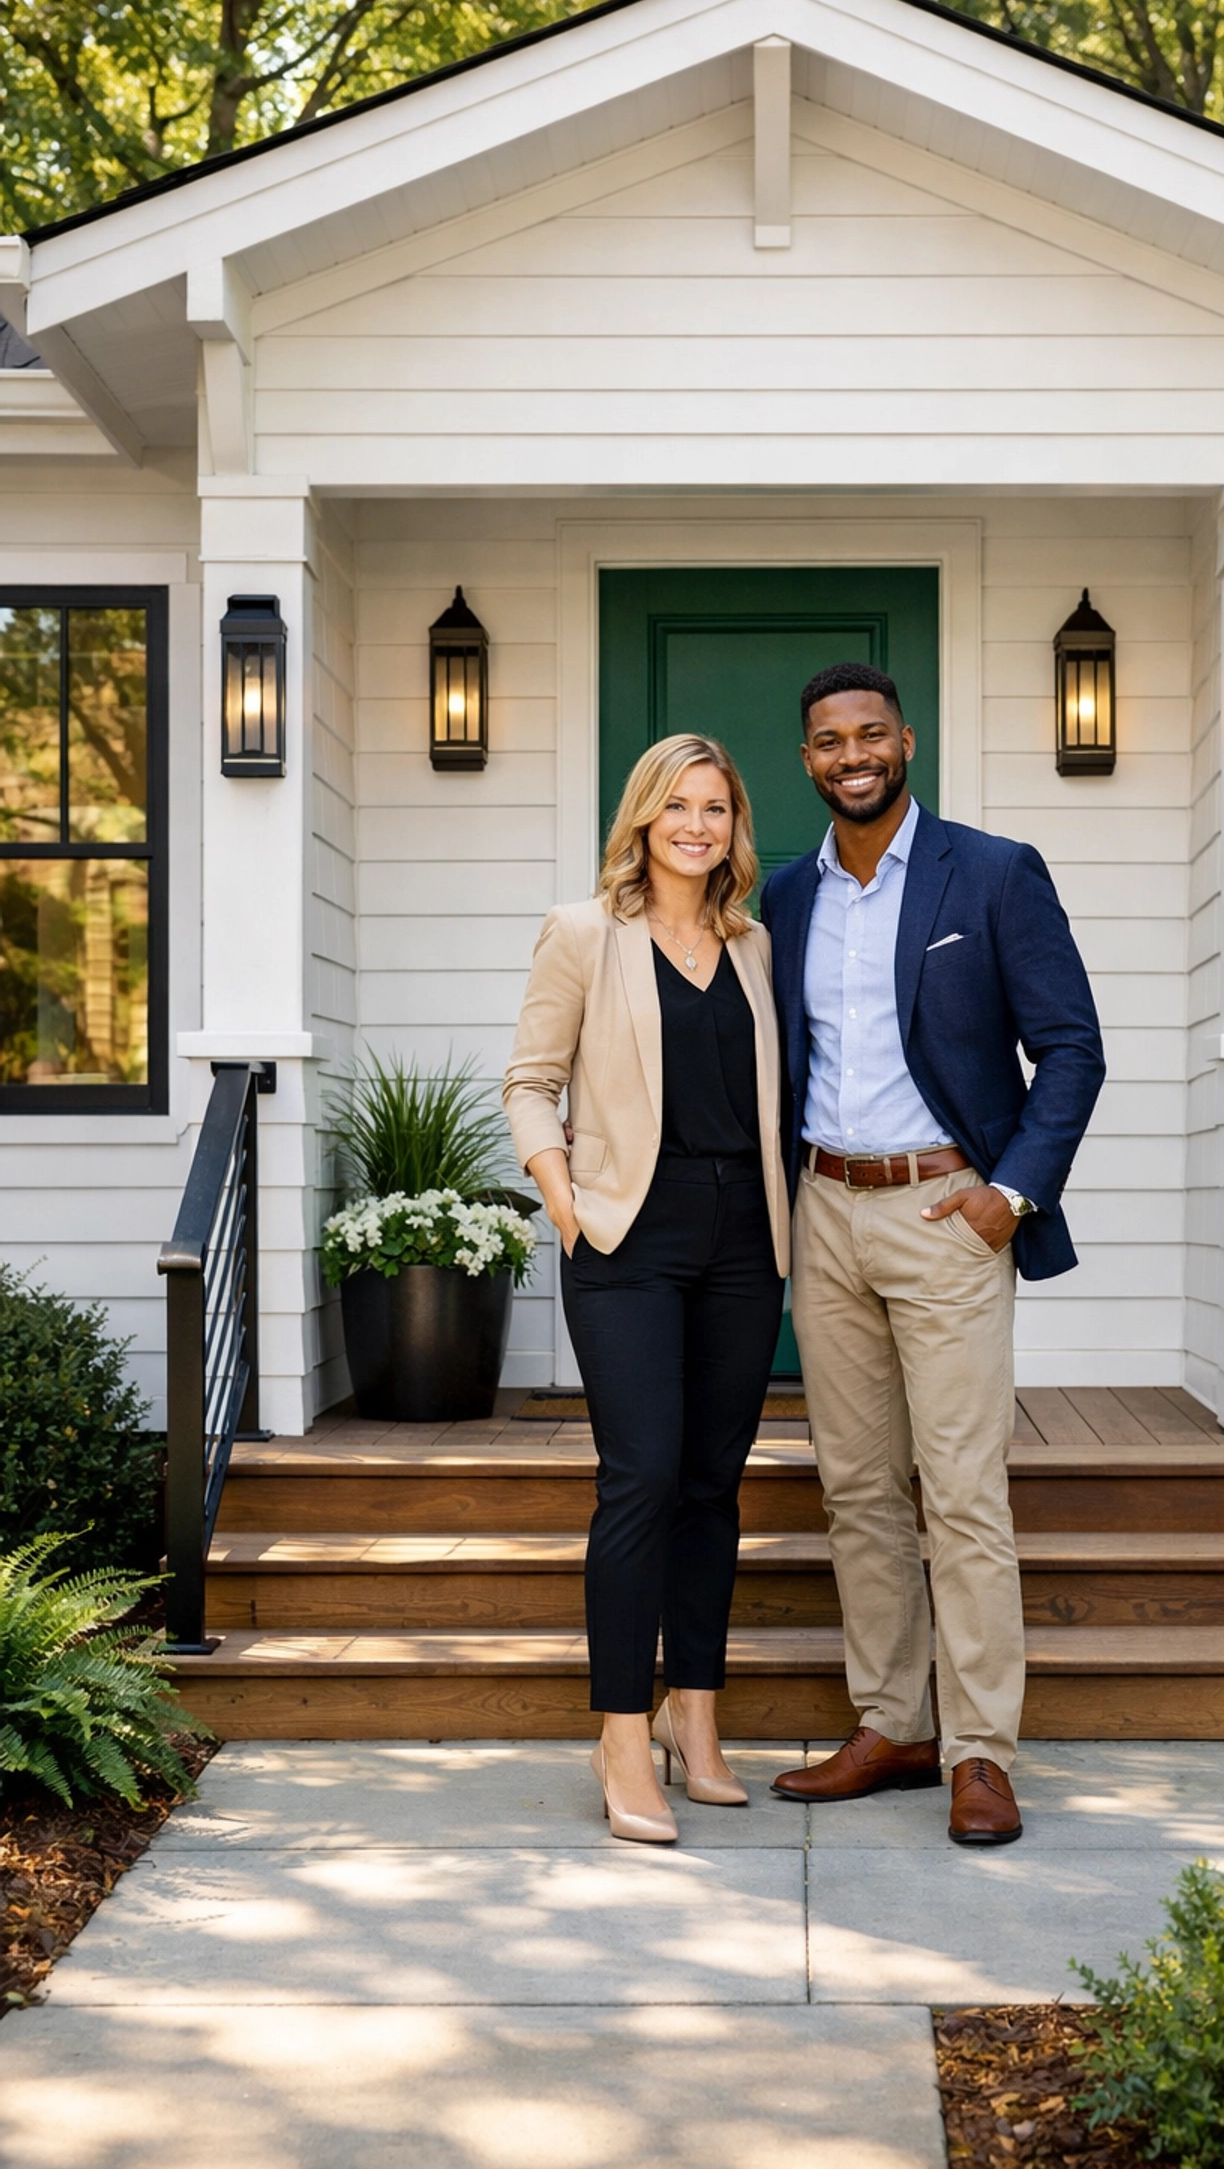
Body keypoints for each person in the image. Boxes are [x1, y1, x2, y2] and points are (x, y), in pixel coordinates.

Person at [762, 663, 1104, 1846]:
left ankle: (981, 1752)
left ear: (905, 742)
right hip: (826, 1211)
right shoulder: (784, 900)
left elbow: (1071, 1050)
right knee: (856, 1489)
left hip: (945, 1211)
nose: (850, 754)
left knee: (960, 1493)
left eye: (868, 734)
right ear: (805, 760)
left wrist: (1010, 1193)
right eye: (826, 741)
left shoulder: (994, 873)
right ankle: (891, 1723)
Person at [505, 733, 790, 1844]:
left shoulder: (756, 943)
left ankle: (697, 1723)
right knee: (642, 1478)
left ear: (735, 828)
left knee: (715, 1486)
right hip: (628, 1231)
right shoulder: (584, 934)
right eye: (678, 805)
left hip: (742, 1240)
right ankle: (623, 1735)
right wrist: (564, 1200)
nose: (698, 825)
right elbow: (530, 1084)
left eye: (717, 807)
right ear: (642, 819)